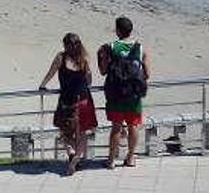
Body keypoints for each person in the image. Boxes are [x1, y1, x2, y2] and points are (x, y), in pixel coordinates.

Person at [39, 33, 97, 175]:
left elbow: (50, 73)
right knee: (82, 133)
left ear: (65, 45)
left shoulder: (61, 57)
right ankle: (76, 159)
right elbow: (89, 80)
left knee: (65, 132)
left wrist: (42, 85)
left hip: (67, 101)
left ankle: (71, 153)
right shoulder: (83, 59)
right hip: (84, 100)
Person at [98, 16, 150, 169]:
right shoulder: (140, 48)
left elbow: (103, 71)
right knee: (133, 126)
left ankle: (111, 160)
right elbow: (147, 73)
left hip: (116, 94)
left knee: (116, 127)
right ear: (130, 30)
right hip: (133, 95)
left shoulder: (111, 46)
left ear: (118, 31)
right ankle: (131, 157)